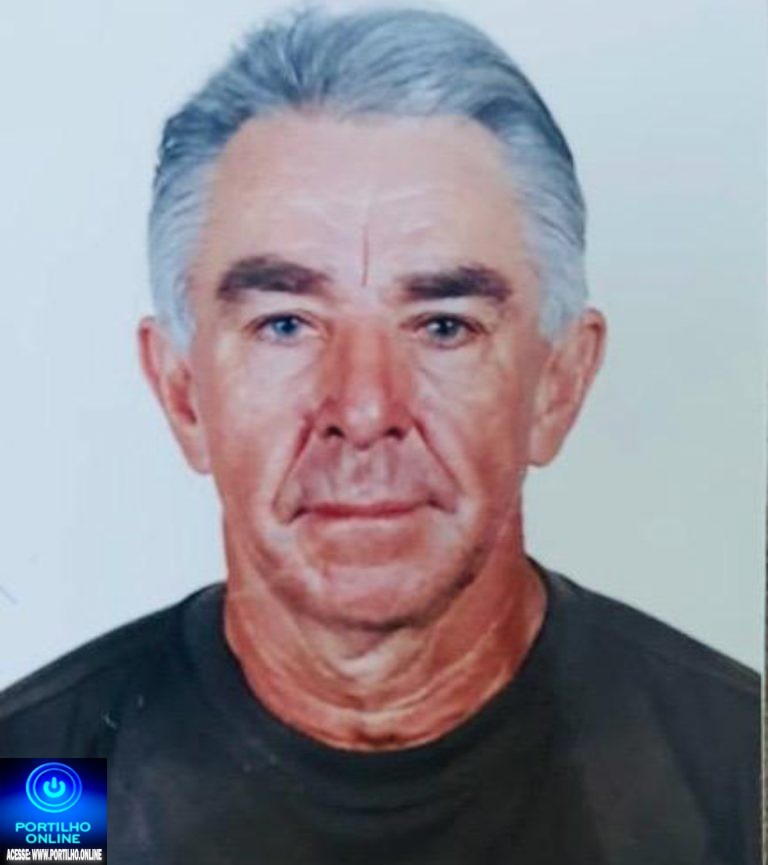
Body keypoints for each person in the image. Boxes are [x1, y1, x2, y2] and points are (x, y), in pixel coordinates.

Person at [0, 6, 758, 864]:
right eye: (286, 324)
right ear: (183, 393)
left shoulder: (738, 775)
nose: (364, 410)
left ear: (558, 384)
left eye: (443, 325)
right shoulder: (41, 782)